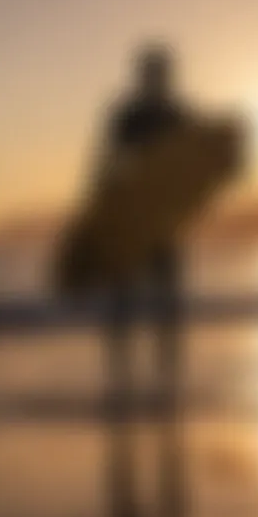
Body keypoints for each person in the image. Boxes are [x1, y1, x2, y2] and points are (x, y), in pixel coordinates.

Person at [97, 43, 192, 412]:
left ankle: (165, 386)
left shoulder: (173, 115)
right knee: (126, 304)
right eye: (155, 72)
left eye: (160, 72)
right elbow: (107, 167)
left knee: (163, 305)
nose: (158, 79)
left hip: (161, 222)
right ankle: (123, 384)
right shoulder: (129, 116)